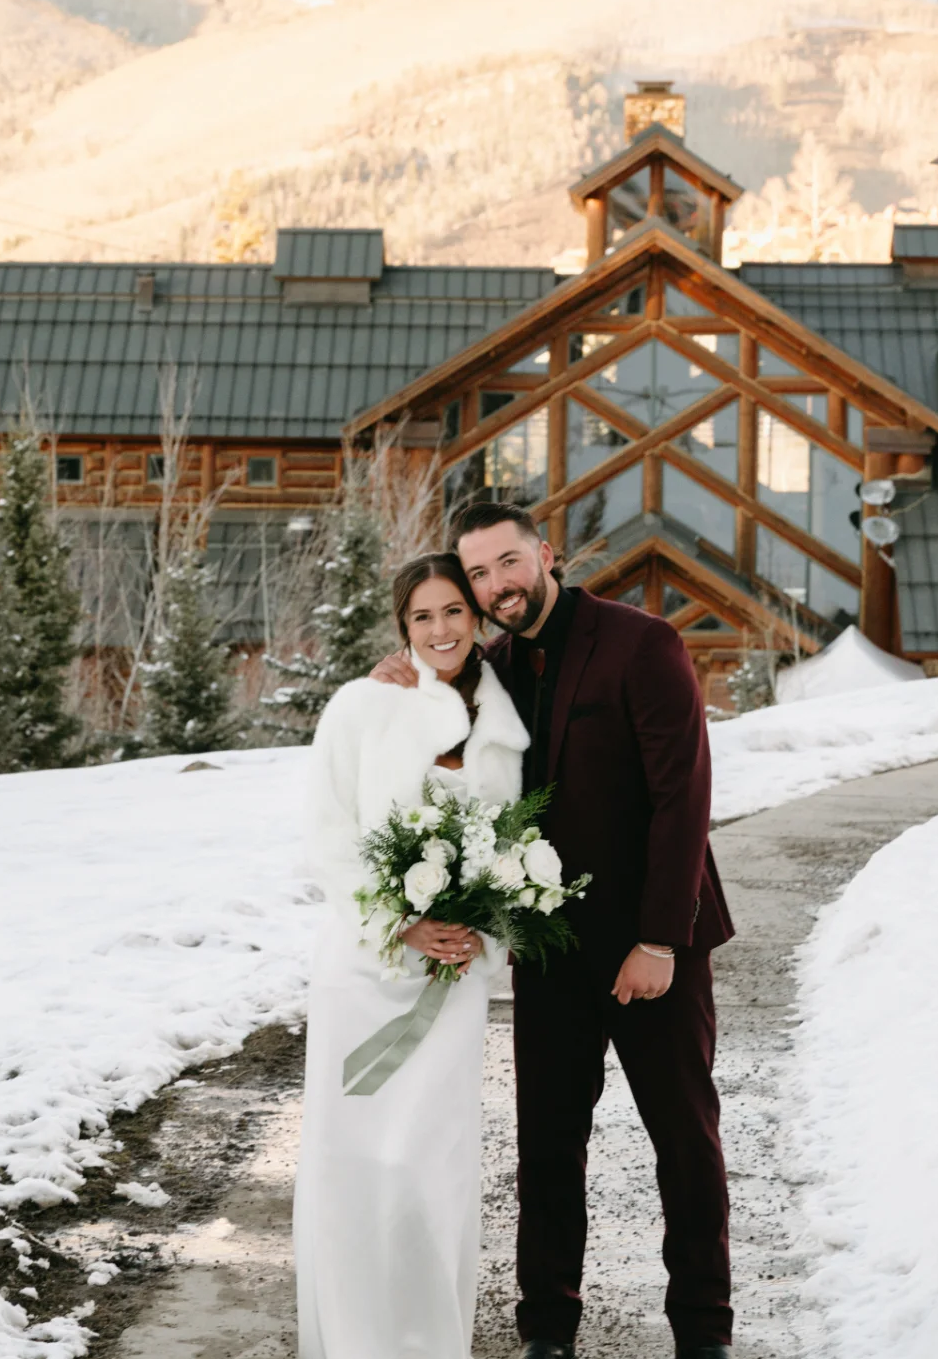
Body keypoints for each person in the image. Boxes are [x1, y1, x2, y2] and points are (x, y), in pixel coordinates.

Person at [373, 500, 735, 1359]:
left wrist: (658, 940)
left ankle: (704, 1331)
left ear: (545, 552)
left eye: (509, 563)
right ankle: (547, 1330)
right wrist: (405, 679)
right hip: (549, 947)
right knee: (546, 1144)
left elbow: (684, 795)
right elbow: (447, 759)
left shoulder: (641, 643)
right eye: (480, 574)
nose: (497, 585)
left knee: (683, 1137)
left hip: (653, 940)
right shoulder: (491, 667)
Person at [295, 550, 529, 1359]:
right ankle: (359, 1340)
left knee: (431, 1164)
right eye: (422, 616)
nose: (439, 629)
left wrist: (478, 926)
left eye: (454, 612)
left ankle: (432, 1341)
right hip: (364, 971)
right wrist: (397, 925)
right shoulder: (362, 706)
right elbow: (329, 837)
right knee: (359, 1162)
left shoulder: (506, 723)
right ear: (402, 627)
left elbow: (514, 844)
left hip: (454, 977)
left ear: (478, 618)